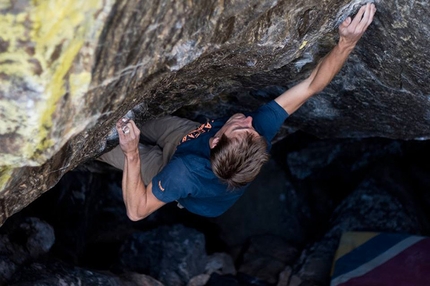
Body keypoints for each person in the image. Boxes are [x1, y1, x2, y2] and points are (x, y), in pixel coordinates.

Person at [99, 3, 376, 221]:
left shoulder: (184, 174)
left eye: (242, 127)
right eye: (252, 130)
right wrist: (346, 43)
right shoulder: (256, 135)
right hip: (188, 140)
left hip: (176, 174)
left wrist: (132, 152)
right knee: (141, 117)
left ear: (218, 141)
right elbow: (311, 87)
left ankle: (113, 148)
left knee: (105, 144)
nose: (248, 120)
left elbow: (137, 211)